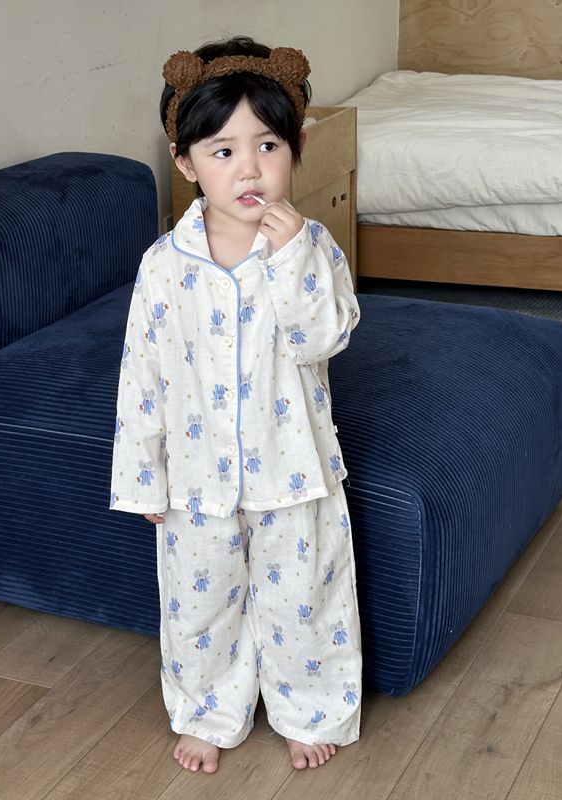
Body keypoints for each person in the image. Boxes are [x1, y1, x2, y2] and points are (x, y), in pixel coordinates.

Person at [110, 35, 362, 774]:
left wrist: (290, 261)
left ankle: (310, 710)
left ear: (296, 149)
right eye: (222, 151)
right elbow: (142, 375)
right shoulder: (164, 265)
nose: (249, 168)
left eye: (268, 145)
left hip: (295, 471)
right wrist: (143, 478)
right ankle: (207, 710)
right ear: (186, 163)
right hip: (197, 480)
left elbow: (327, 338)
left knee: (305, 599)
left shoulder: (313, 247)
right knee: (200, 604)